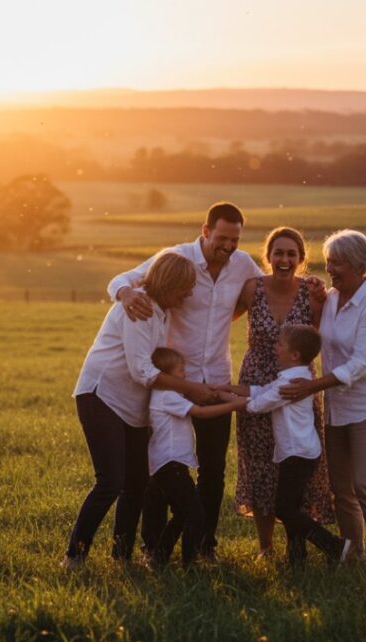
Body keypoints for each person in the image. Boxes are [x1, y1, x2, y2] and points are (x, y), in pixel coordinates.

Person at [107, 202, 263, 560]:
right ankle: (153, 548)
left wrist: (311, 286)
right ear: (205, 231)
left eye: (235, 239)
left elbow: (266, 288)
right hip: (171, 381)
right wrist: (126, 294)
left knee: (213, 470)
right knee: (162, 469)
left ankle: (203, 546)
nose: (228, 246)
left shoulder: (242, 264)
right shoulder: (176, 258)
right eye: (222, 238)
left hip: (217, 379)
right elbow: (121, 279)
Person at [62, 252, 210, 569]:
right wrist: (191, 389)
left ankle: (121, 557)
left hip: (130, 406)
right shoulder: (140, 307)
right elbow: (141, 371)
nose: (188, 295)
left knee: (136, 484)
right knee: (110, 482)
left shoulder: (161, 310)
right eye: (184, 288)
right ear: (169, 283)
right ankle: (74, 557)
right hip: (101, 395)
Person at [280, 230, 366, 563]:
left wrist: (310, 387)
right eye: (329, 261)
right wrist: (318, 298)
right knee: (341, 490)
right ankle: (353, 556)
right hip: (338, 408)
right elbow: (318, 337)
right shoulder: (331, 298)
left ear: (360, 266)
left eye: (339, 263)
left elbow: (359, 364)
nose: (331, 269)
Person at [232, 226, 334, 557]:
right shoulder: (252, 289)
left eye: (292, 254)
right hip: (255, 381)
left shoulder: (311, 293)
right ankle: (265, 548)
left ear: (302, 259)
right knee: (260, 465)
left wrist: (322, 295)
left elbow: (317, 336)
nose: (285, 259)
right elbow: (219, 318)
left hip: (296, 387)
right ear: (268, 256)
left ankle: (297, 549)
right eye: (279, 253)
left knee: (295, 465)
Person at [224, 325, 349, 567]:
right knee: (293, 506)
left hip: (298, 453)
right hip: (297, 452)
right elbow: (261, 391)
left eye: (280, 344)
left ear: (294, 355)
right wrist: (229, 389)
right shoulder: (290, 378)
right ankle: (297, 558)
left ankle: (333, 545)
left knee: (283, 507)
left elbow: (258, 404)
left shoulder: (291, 383)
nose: (275, 347)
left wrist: (227, 401)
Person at [142, 347, 248, 567]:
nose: (184, 375)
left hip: (169, 465)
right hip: (171, 465)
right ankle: (189, 563)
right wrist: (234, 405)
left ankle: (159, 557)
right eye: (180, 370)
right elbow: (200, 412)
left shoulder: (164, 395)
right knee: (195, 514)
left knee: (182, 513)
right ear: (167, 374)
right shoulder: (167, 396)